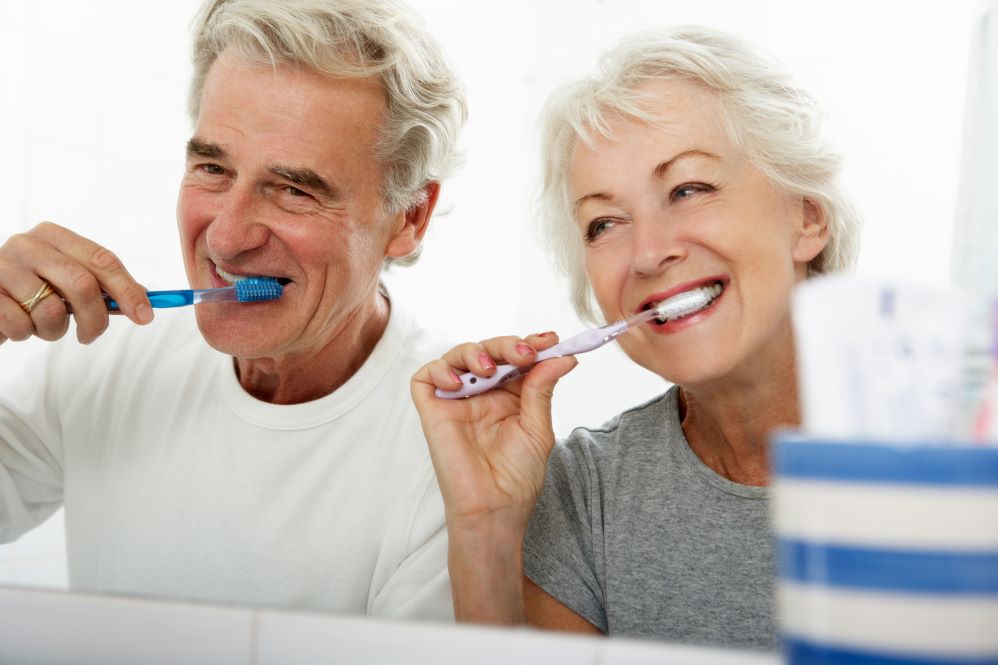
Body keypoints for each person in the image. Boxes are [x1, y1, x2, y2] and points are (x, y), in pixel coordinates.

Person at [0, 0, 465, 620]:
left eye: (294, 189)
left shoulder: (455, 446)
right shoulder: (106, 357)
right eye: (213, 168)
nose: (224, 238)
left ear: (409, 217)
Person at [411, 26, 860, 648]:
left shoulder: (961, 442)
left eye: (688, 189)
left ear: (807, 217)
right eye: (604, 223)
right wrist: (485, 526)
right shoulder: (580, 491)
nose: (648, 253)